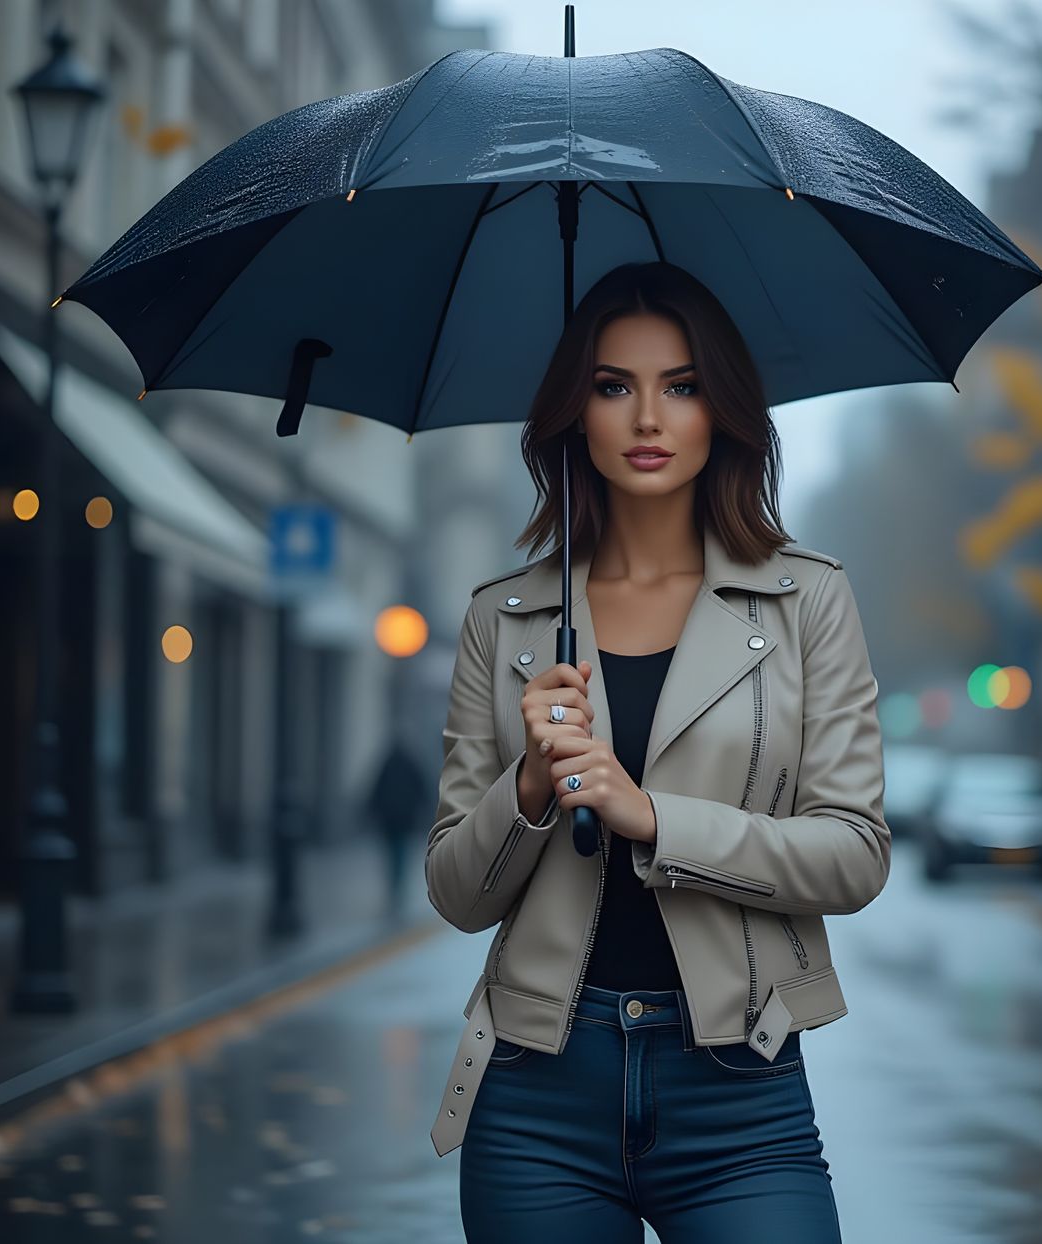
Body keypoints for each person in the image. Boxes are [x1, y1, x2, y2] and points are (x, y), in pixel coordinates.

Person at [424, 261, 889, 1242]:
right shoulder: (502, 621)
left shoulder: (806, 601)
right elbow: (456, 894)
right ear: (573, 414)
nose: (647, 417)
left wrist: (654, 819)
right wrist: (530, 788)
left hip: (740, 1088)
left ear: (720, 409)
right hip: (536, 1090)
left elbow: (854, 854)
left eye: (679, 385)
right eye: (612, 385)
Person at [365, 731, 428, 916]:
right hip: (404, 818)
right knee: (400, 851)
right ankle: (398, 884)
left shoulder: (387, 764)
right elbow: (422, 788)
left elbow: (376, 788)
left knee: (392, 851)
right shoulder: (411, 764)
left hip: (389, 819)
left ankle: (394, 884)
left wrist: (371, 810)